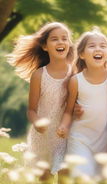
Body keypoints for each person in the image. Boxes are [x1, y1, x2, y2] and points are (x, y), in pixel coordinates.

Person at [7, 22, 74, 181]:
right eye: (54, 39)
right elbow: (31, 110)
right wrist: (37, 122)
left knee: (64, 177)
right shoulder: (39, 75)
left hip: (66, 135)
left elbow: (75, 103)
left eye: (65, 38)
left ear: (69, 45)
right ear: (45, 46)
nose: (60, 42)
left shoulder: (75, 73)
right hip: (43, 138)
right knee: (45, 179)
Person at [57, 29, 107, 177]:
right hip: (79, 139)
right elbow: (68, 111)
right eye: (92, 46)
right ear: (82, 54)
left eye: (103, 46)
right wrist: (63, 125)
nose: (98, 49)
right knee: (81, 177)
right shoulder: (76, 81)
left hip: (104, 141)